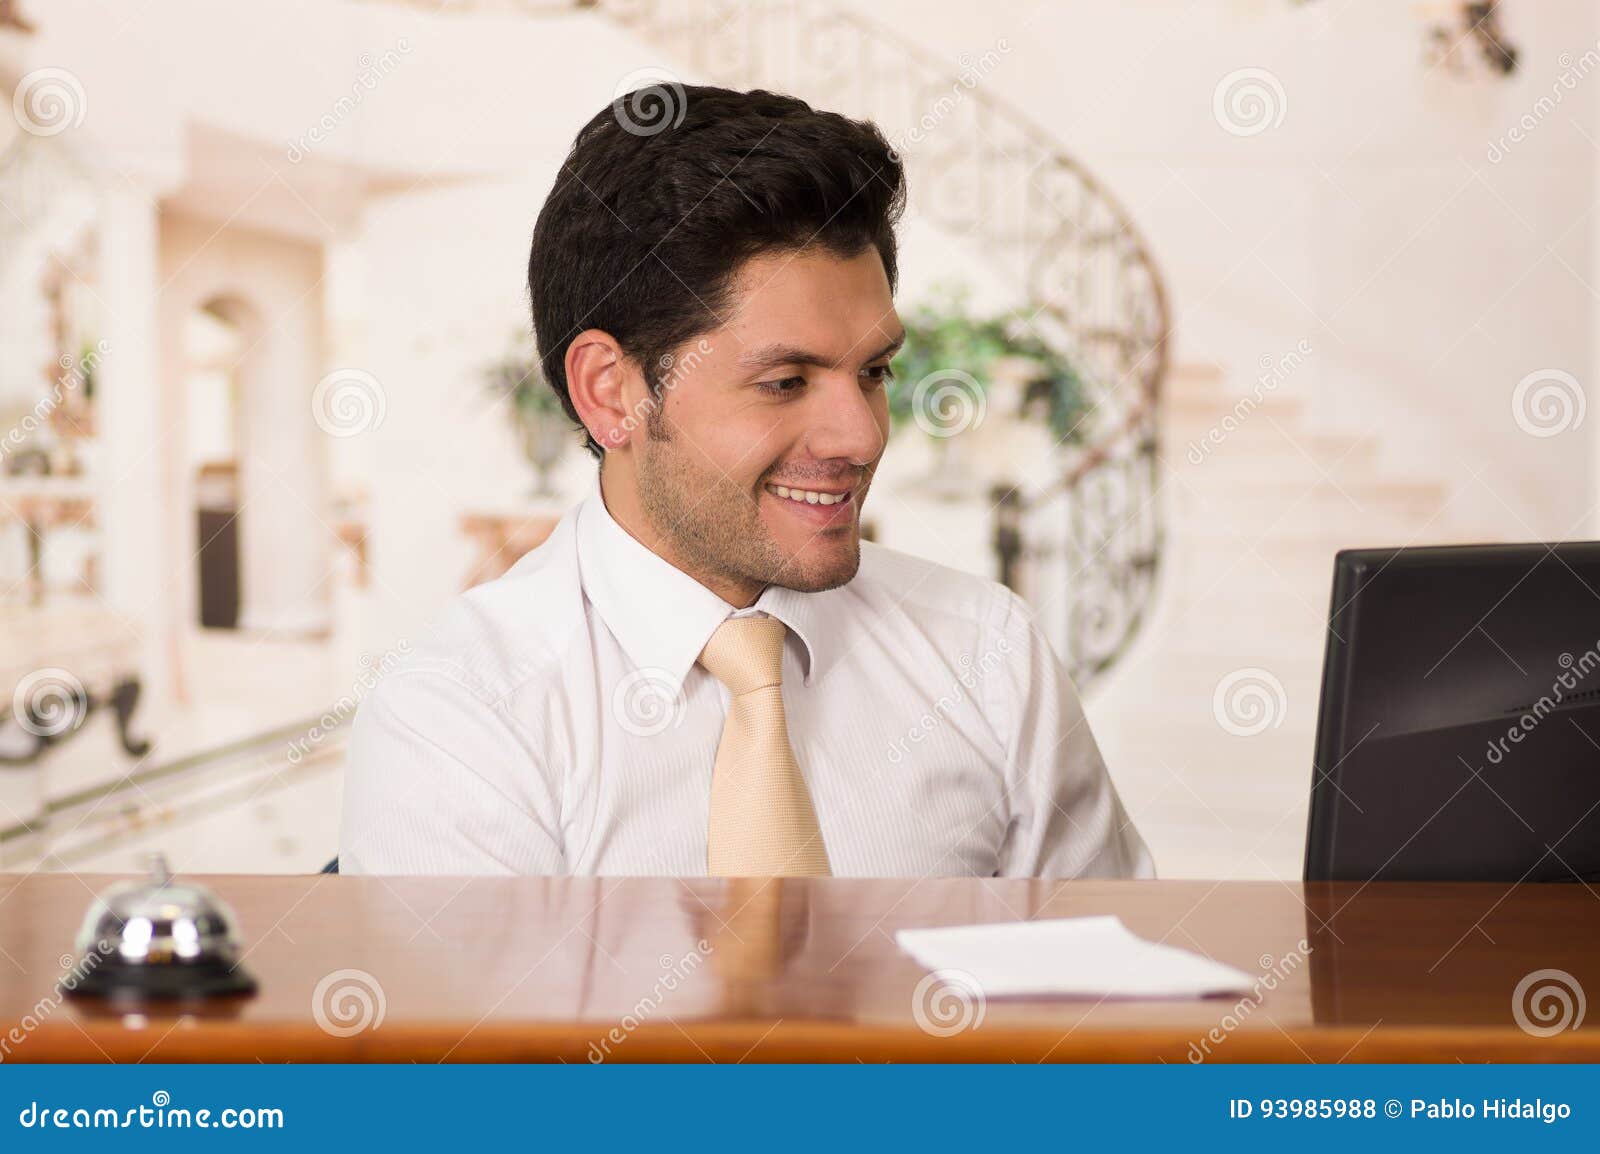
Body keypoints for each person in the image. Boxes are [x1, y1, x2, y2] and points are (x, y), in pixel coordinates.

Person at [339, 85, 1153, 879]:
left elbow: (1109, 996)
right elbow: (475, 1020)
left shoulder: (988, 654)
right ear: (610, 392)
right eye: (785, 382)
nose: (863, 436)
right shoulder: (462, 713)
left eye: (873, 370)